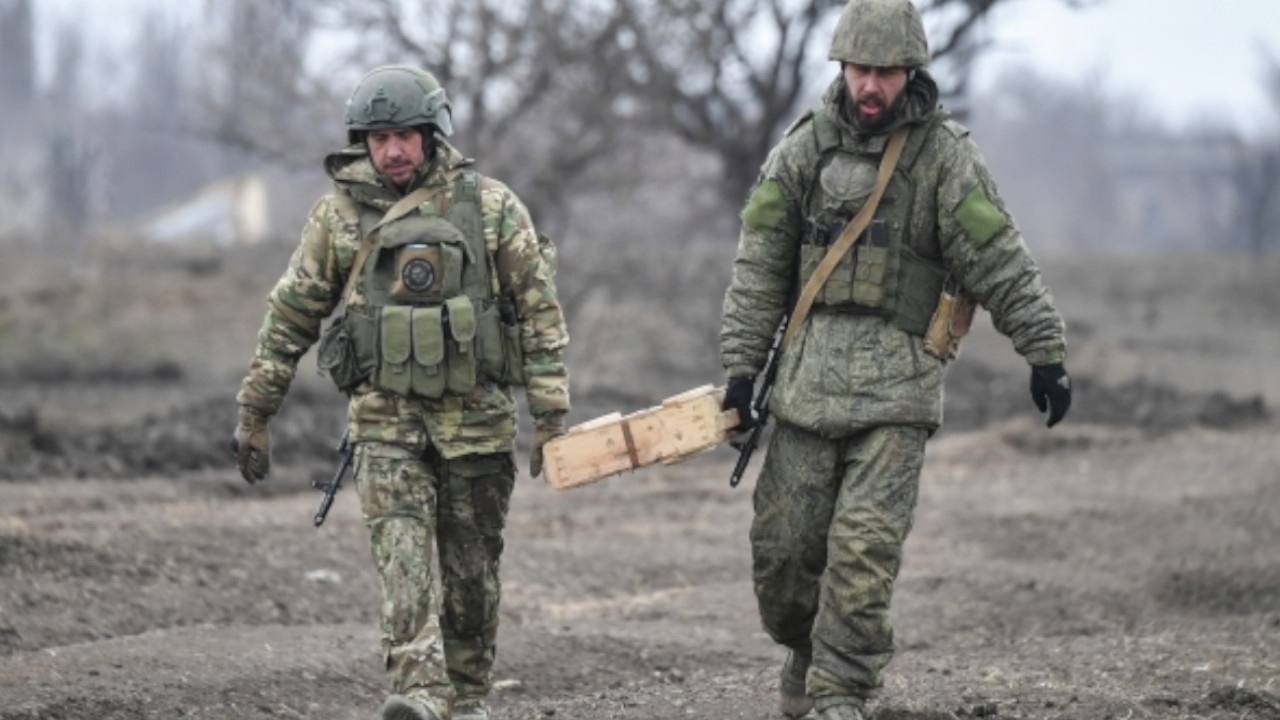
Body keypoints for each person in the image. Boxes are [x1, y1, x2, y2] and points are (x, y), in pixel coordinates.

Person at [717, 1, 1072, 718]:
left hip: (898, 393)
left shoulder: (944, 157)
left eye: (885, 72)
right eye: (859, 70)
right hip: (807, 389)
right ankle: (806, 650)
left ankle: (842, 693)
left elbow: (998, 256)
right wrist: (742, 369)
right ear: (842, 67)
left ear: (910, 71)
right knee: (782, 558)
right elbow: (759, 266)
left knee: (863, 556)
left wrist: (1045, 351)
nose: (870, 85)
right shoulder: (802, 150)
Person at [230, 65, 570, 720]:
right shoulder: (338, 218)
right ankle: (420, 695)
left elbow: (538, 313)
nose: (391, 151)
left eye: (404, 136)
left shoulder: (492, 207)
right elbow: (291, 316)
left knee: (472, 577)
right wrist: (255, 409)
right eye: (378, 137)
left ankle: (466, 696)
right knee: (403, 567)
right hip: (384, 427)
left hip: (477, 425)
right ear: (362, 141)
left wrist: (551, 415)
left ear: (431, 133)